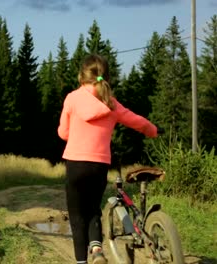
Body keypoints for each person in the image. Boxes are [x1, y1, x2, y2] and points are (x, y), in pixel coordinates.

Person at [58, 54, 158, 264]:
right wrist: (153, 131)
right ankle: (96, 248)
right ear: (106, 78)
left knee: (77, 216)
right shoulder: (110, 103)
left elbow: (64, 133)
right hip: (99, 165)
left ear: (81, 76)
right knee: (93, 209)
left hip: (76, 164)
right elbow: (136, 120)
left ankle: (81, 261)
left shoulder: (72, 98)